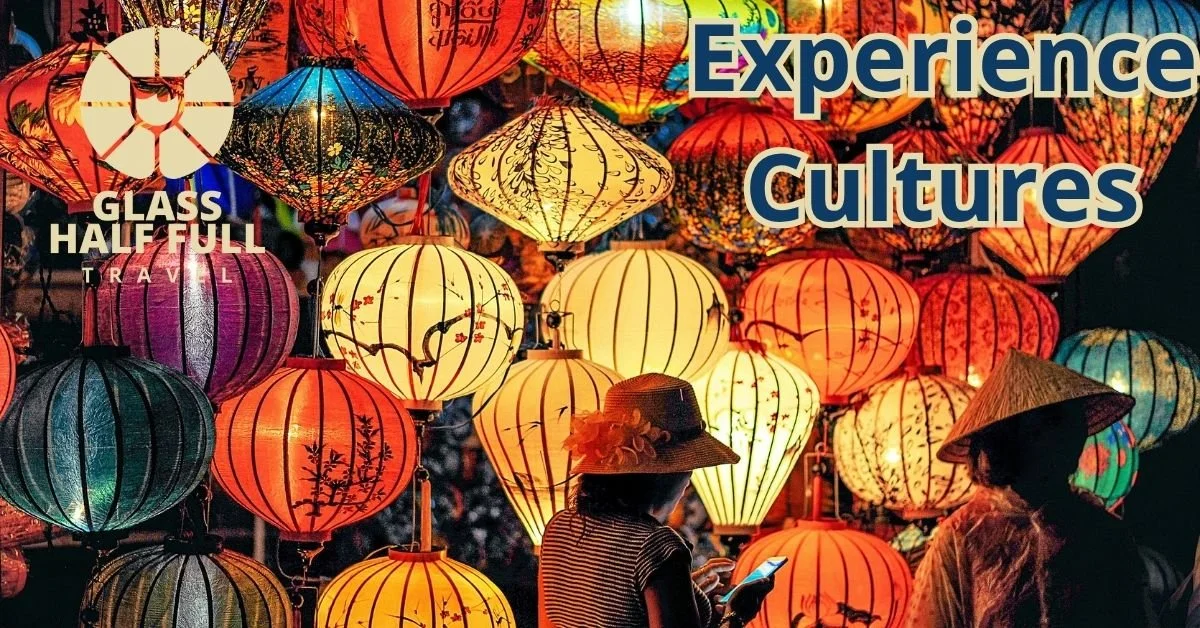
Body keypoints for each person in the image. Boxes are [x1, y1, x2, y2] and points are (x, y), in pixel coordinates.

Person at [909, 349, 1157, 627]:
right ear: (1007, 443)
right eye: (1047, 432)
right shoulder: (963, 535)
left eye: (1071, 430)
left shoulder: (1102, 532)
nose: (1072, 444)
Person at [539, 373, 775, 628]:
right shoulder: (656, 546)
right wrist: (736, 615)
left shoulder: (559, 527)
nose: (687, 483)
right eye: (690, 467)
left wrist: (685, 592)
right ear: (666, 474)